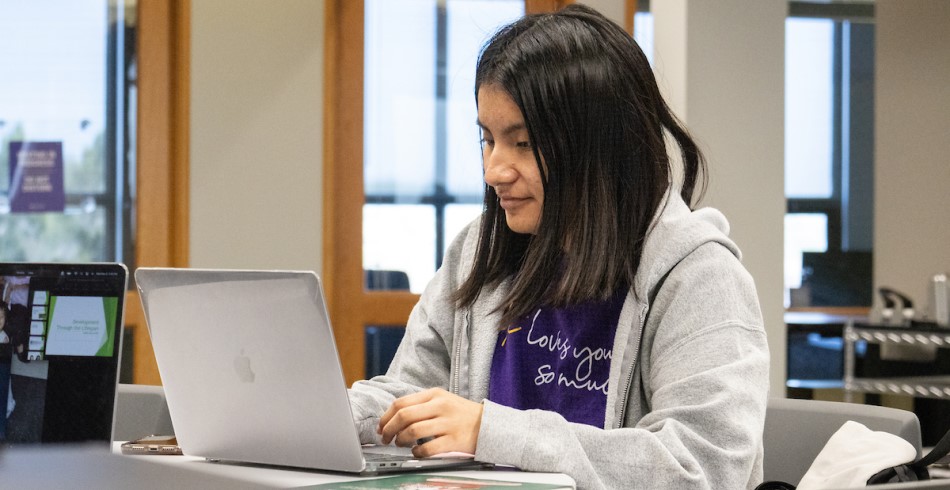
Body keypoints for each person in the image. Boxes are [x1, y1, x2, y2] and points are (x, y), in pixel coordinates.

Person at [348, 5, 769, 489]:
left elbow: (703, 468)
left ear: (599, 146)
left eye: (523, 143)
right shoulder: (477, 252)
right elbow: (408, 399)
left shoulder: (700, 277)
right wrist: (319, 417)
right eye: (487, 139)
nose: (493, 171)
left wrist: (491, 432)